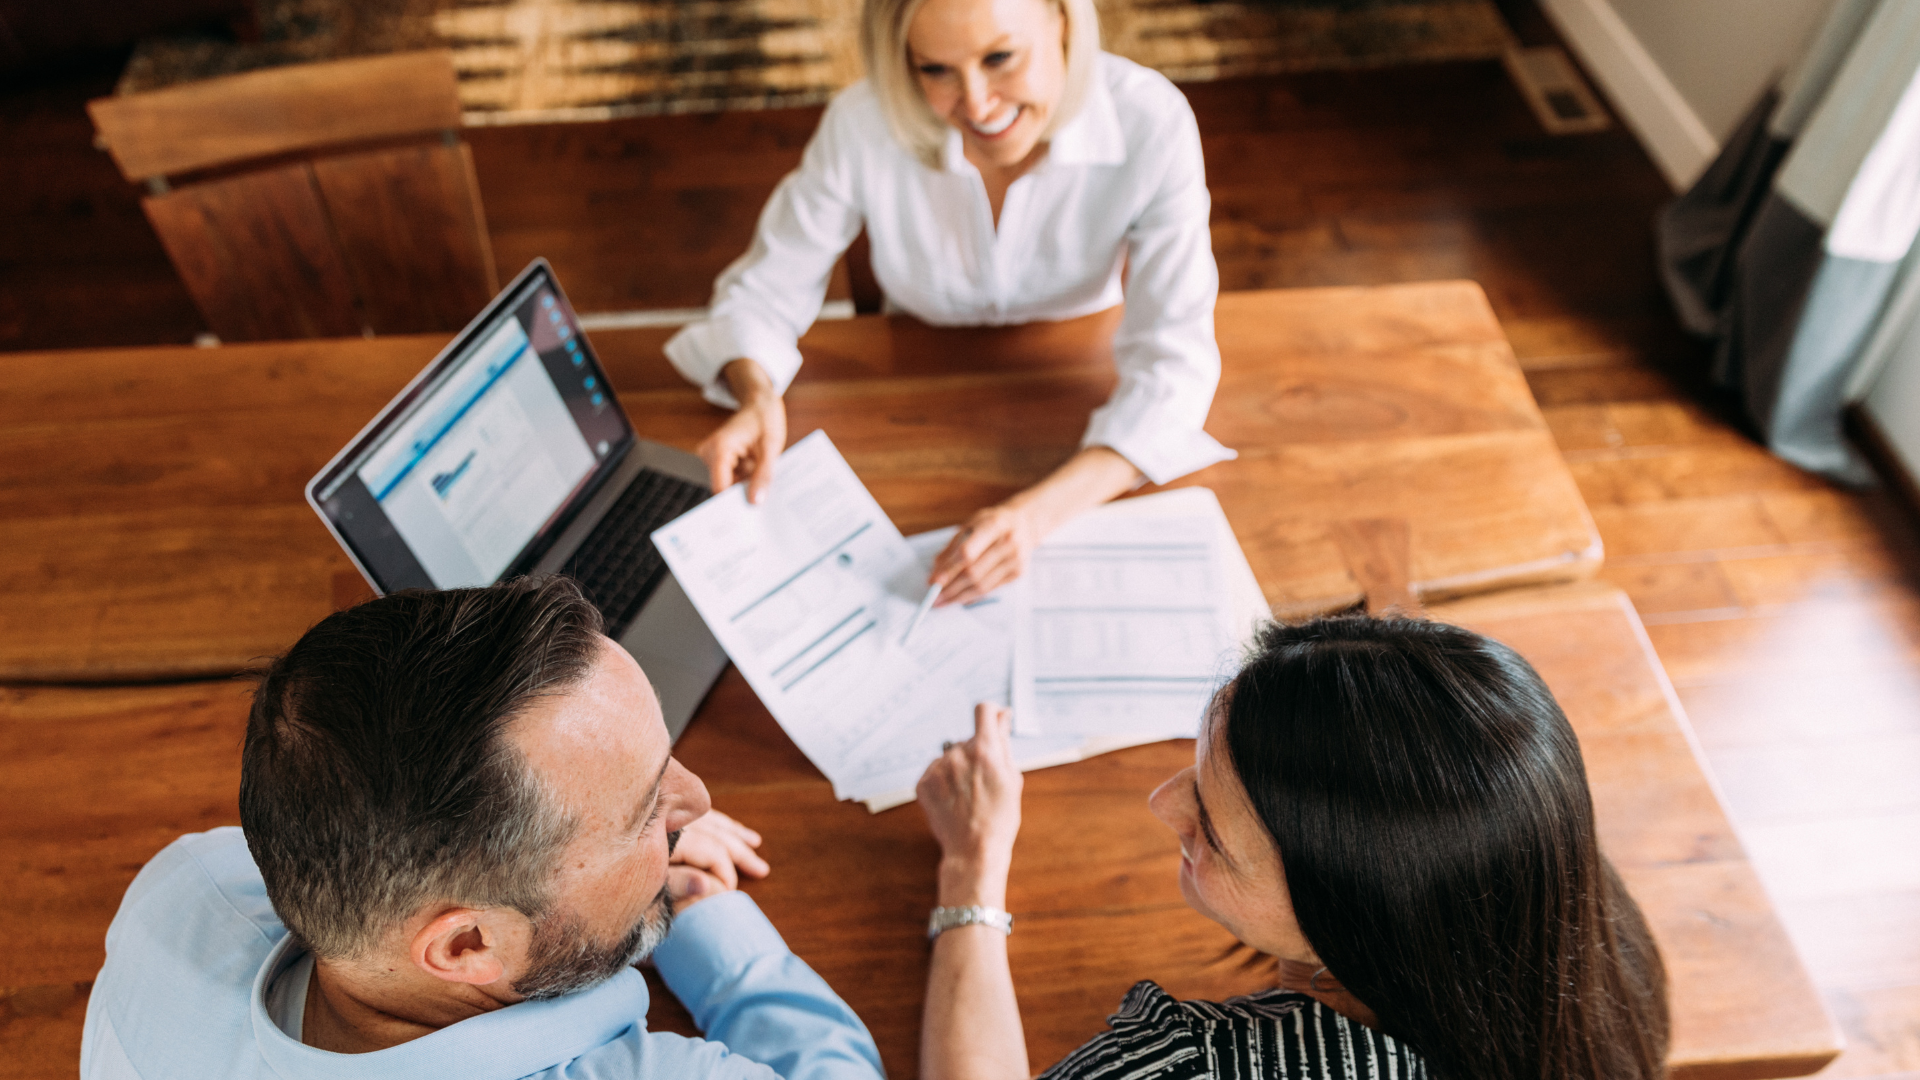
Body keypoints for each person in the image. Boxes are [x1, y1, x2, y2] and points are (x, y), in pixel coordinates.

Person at [81, 577, 884, 1080]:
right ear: (467, 945)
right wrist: (708, 921)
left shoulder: (188, 891)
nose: (698, 802)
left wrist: (622, 851)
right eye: (648, 811)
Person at [914, 615, 1671, 1080]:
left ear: (1350, 914)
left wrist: (972, 869)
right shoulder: (1578, 933)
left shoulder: (1187, 1067)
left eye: (1210, 826)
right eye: (1200, 763)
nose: (1161, 803)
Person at [665, 0, 1234, 608]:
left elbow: (1176, 366)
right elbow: (764, 289)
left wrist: (1037, 516)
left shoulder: (1151, 119)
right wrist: (756, 393)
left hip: (1076, 358)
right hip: (908, 387)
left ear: (1063, 21)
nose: (979, 104)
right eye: (935, 70)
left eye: (1000, 58)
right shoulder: (863, 122)